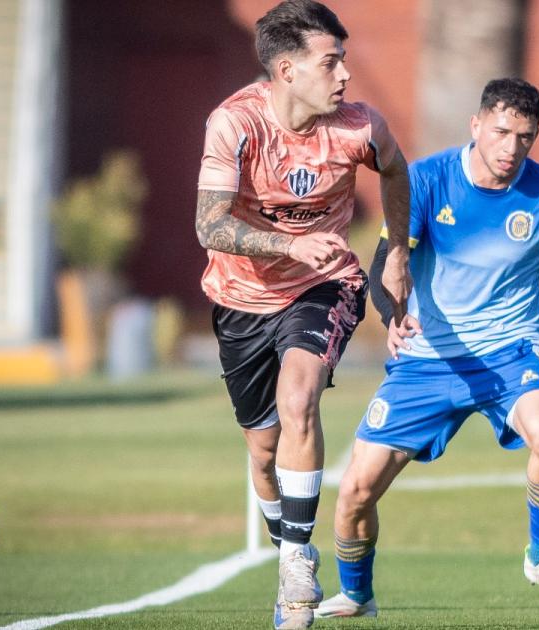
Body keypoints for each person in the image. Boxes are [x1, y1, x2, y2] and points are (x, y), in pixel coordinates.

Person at [315, 78, 539, 619]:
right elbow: (385, 264)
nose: (511, 148)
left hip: (511, 352)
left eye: (525, 137)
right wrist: (391, 315)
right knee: (355, 490)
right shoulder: (425, 181)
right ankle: (356, 593)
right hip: (427, 360)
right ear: (476, 125)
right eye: (501, 132)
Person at [192, 1, 411, 628]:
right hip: (240, 299)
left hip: (324, 284)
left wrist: (397, 251)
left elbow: (397, 171)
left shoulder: (359, 127)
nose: (345, 74)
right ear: (287, 70)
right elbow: (209, 225)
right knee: (264, 452)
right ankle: (291, 548)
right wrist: (289, 244)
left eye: (344, 60)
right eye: (330, 62)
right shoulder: (234, 123)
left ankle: (295, 566)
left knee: (299, 397)